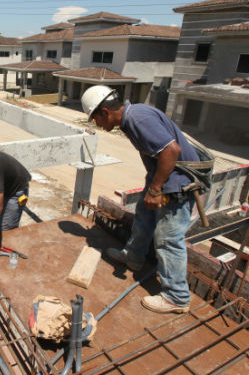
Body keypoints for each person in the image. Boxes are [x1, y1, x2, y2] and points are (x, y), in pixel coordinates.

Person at [81, 85, 200, 314]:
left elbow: (171, 151)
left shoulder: (138, 119)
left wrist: (156, 190)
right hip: (163, 176)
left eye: (95, 119)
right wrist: (153, 184)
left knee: (168, 237)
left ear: (105, 112)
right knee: (144, 217)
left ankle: (177, 296)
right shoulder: (132, 118)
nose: (96, 124)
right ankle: (134, 256)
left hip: (178, 183)